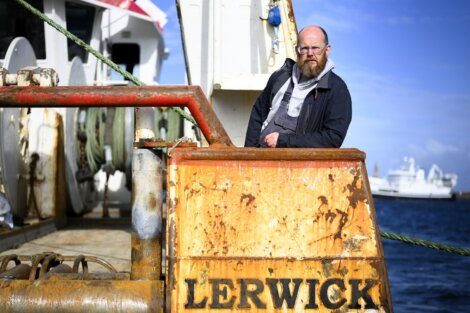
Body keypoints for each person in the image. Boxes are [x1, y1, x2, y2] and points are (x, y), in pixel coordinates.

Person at [244, 25, 352, 148]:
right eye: (304, 48)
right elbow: (258, 115)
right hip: (260, 159)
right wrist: (249, 154)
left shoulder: (337, 89)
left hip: (300, 165)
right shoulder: (280, 77)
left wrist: (284, 141)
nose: (310, 53)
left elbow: (333, 138)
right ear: (297, 50)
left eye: (316, 48)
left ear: (327, 50)